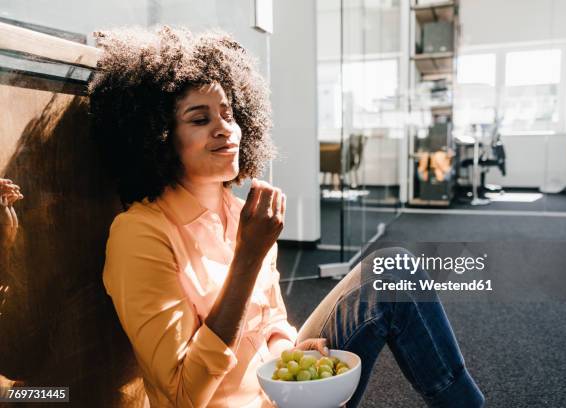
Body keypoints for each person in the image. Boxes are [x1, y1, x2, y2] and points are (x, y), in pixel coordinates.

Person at [90, 26, 484, 408]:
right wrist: (248, 257)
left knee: (392, 270)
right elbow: (182, 397)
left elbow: (272, 318)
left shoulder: (244, 213)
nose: (225, 129)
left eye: (228, 113)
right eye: (200, 119)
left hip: (283, 393)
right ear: (157, 136)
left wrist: (287, 347)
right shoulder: (140, 234)